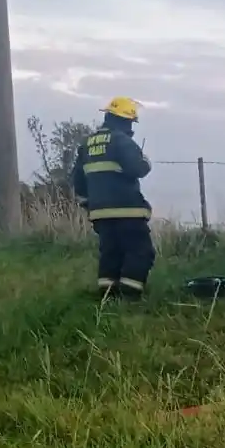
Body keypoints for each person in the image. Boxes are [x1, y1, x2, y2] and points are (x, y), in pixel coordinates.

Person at [71, 96, 156, 299]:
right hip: (128, 210)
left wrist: (88, 204)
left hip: (100, 213)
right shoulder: (122, 140)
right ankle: (130, 297)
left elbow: (78, 179)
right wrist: (145, 159)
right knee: (140, 252)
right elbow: (139, 168)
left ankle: (107, 296)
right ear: (127, 120)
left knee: (111, 254)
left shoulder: (87, 144)